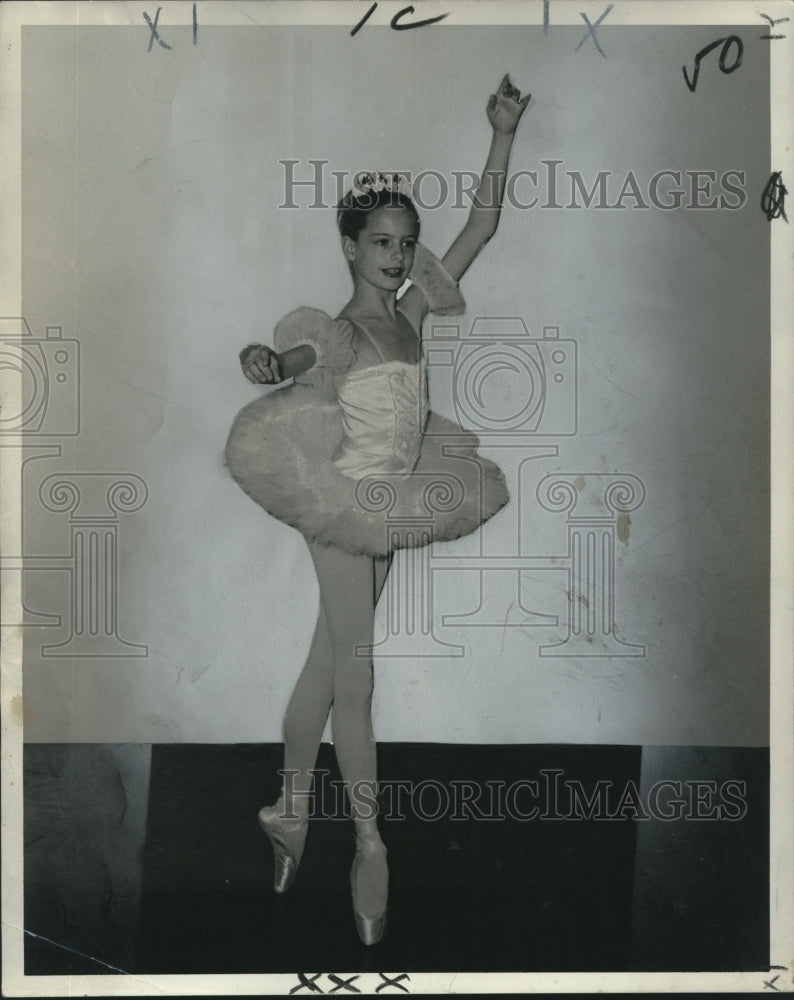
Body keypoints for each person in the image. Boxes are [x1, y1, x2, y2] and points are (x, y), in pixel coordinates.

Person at [225, 74, 531, 946]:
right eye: (383, 243)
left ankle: (287, 812)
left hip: (395, 501)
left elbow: (484, 224)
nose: (399, 256)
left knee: (327, 666)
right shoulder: (341, 329)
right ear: (351, 246)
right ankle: (369, 843)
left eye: (407, 243)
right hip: (341, 503)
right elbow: (290, 355)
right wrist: (266, 359)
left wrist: (501, 132)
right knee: (357, 678)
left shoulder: (412, 314)